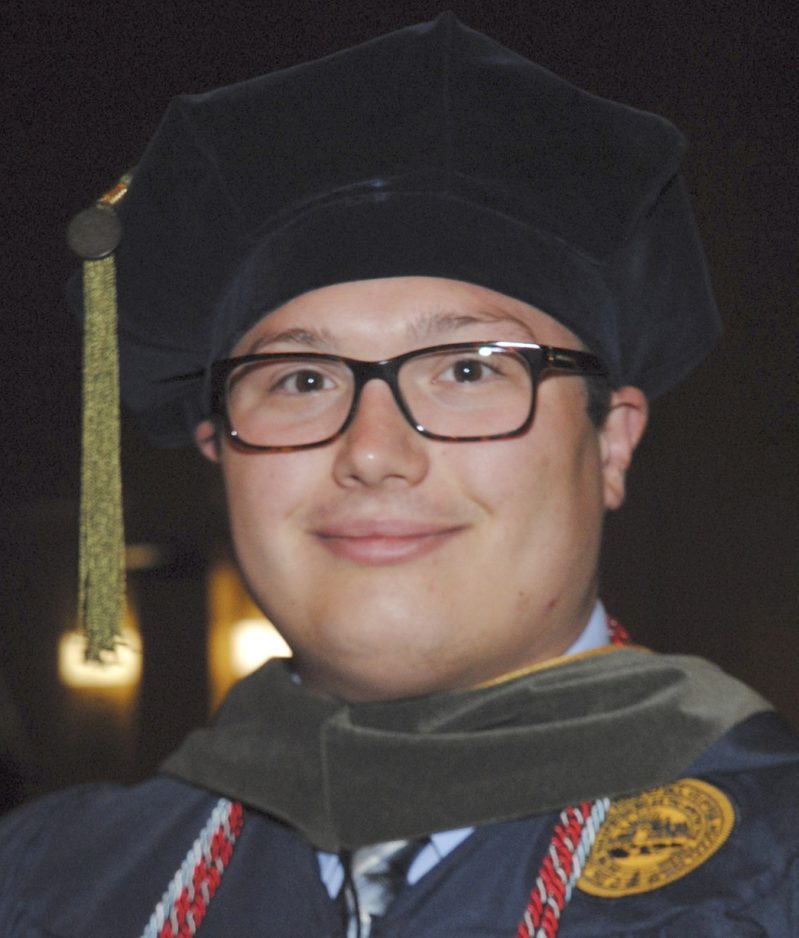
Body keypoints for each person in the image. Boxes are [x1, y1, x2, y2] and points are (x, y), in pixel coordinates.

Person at [1, 13, 797, 937]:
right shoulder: (52, 882)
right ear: (218, 451)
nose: (372, 451)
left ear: (610, 444)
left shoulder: (769, 868)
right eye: (301, 380)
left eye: (467, 370)